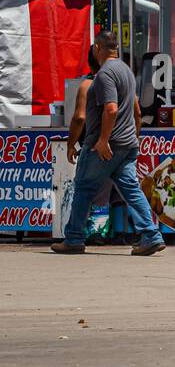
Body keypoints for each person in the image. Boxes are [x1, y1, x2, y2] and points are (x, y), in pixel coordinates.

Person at [51, 31, 165, 256]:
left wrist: (102, 141)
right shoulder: (127, 72)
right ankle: (151, 235)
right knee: (131, 190)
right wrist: (134, 138)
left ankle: (74, 238)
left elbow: (109, 109)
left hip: (105, 146)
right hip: (127, 144)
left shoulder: (104, 75)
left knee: (83, 189)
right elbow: (137, 112)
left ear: (97, 48)